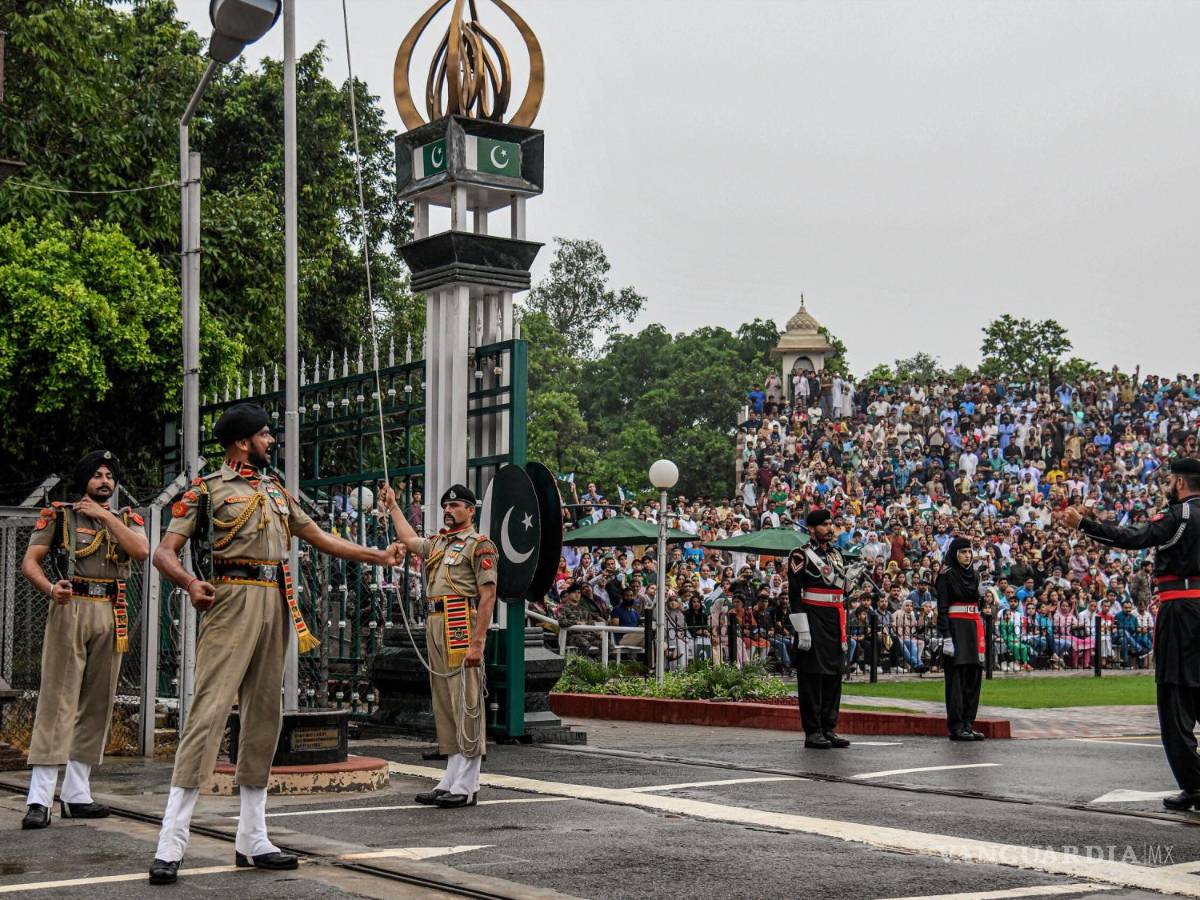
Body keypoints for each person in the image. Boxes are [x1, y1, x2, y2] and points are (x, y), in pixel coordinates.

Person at [148, 404, 402, 885]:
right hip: (229, 600)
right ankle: (171, 842)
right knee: (208, 715)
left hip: (275, 601)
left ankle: (253, 837)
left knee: (264, 718)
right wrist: (190, 583)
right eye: (264, 435)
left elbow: (319, 537)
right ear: (243, 442)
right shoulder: (206, 490)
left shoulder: (276, 491)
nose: (271, 441)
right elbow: (164, 552)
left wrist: (379, 557)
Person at [1060, 458, 1200, 812]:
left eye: (1171, 480)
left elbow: (1133, 538)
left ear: (1180, 483)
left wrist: (1084, 524)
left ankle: (1195, 784)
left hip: (1181, 611)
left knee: (1175, 695)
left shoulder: (1179, 515)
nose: (1168, 485)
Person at [20, 450, 149, 829]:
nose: (104, 481)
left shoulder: (127, 519)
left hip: (112, 609)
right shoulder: (60, 516)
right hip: (71, 605)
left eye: (109, 475)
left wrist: (105, 516)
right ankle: (39, 799)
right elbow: (30, 562)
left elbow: (141, 551)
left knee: (98, 702)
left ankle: (77, 794)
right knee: (57, 700)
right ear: (84, 481)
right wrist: (50, 589)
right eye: (97, 475)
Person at [381, 481, 497, 810]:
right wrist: (393, 506)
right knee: (444, 701)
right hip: (436, 620)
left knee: (466, 699)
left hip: (460, 619)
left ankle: (468, 784)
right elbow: (408, 539)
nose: (448, 510)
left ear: (470, 511)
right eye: (446, 505)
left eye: (455, 505)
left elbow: (488, 595)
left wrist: (478, 643)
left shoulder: (479, 545)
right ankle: (451, 778)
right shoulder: (439, 543)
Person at [788, 509, 851, 749]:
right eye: (824, 525)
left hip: (835, 618)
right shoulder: (800, 555)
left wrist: (851, 583)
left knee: (834, 675)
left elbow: (841, 592)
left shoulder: (836, 554)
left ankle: (828, 727)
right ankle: (813, 731)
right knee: (812, 676)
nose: (830, 528)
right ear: (812, 529)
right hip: (813, 617)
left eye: (831, 524)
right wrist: (802, 629)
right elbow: (794, 594)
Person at [937, 536, 986, 741]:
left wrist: (982, 596)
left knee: (973, 678)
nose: (967, 555)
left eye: (969, 552)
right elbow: (942, 608)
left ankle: (968, 723)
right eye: (963, 552)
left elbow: (978, 605)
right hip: (956, 629)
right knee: (956, 681)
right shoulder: (946, 575)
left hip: (973, 627)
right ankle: (956, 726)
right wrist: (946, 636)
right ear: (955, 554)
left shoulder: (975, 575)